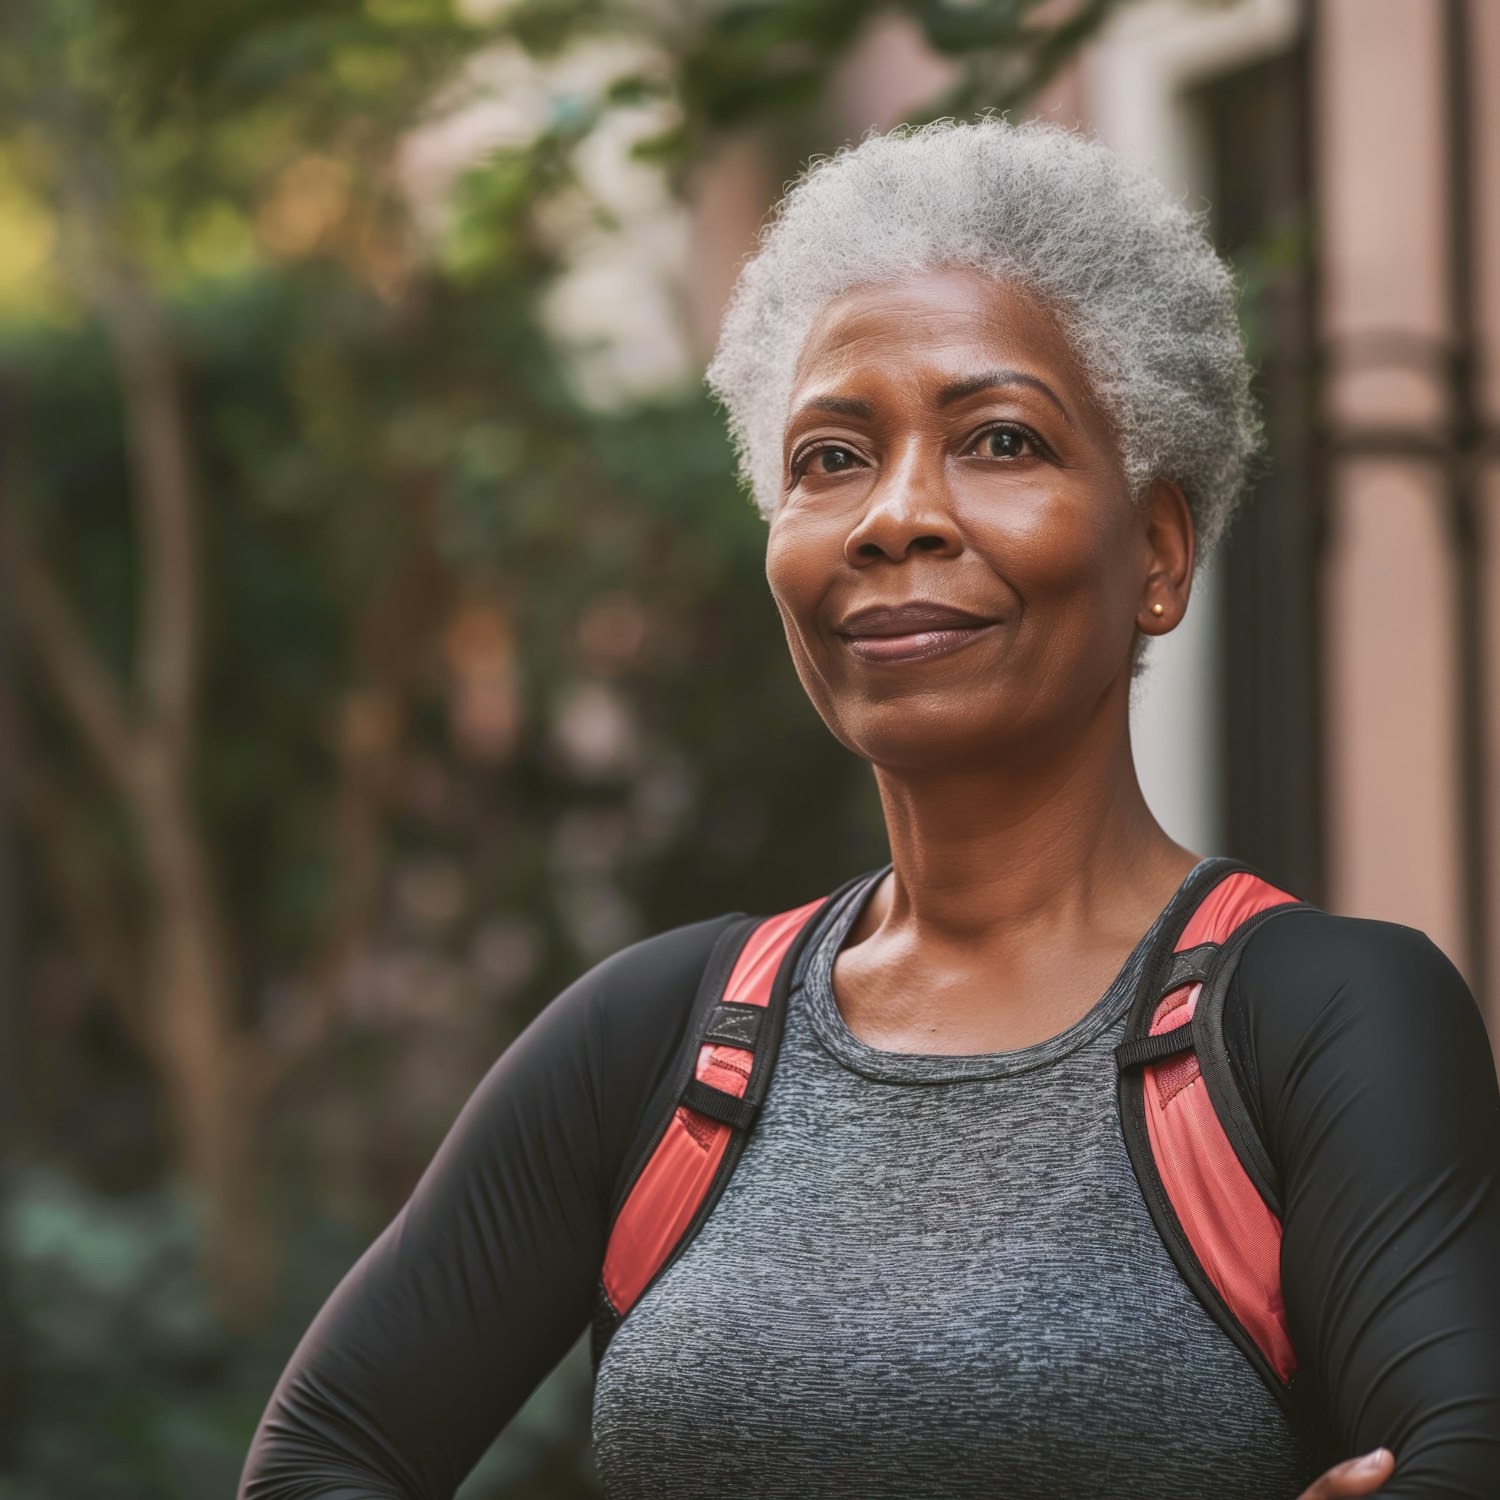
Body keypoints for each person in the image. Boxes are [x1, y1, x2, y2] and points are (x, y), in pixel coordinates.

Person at [238, 119, 1500, 1499]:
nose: (892, 516)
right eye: (830, 457)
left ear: (1156, 548)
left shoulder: (1318, 1024)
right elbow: (328, 1455)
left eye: (1000, 439)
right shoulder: (657, 1044)